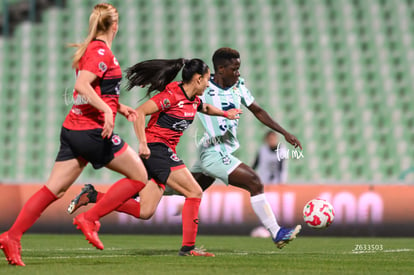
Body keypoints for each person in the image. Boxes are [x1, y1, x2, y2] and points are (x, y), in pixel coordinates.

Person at [0, 3, 149, 266]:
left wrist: (119, 107)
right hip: (90, 132)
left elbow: (96, 90)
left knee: (53, 190)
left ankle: (12, 236)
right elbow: (81, 86)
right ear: (115, 25)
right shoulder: (101, 52)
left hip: (73, 129)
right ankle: (89, 217)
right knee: (139, 177)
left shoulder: (92, 49)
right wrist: (106, 110)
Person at [68, 58, 242, 256]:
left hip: (161, 152)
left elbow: (205, 108)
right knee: (194, 192)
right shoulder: (172, 95)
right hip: (156, 149)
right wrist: (143, 143)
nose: (210, 83)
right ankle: (188, 248)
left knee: (145, 211)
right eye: (208, 78)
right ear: (198, 79)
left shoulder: (193, 99)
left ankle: (92, 195)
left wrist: (225, 114)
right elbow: (140, 113)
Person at [190, 47, 303, 249]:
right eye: (235, 69)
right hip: (213, 152)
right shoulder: (204, 87)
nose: (238, 73)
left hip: (218, 150)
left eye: (239, 68)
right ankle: (276, 232)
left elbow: (258, 111)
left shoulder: (238, 86)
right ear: (221, 69)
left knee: (185, 189)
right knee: (254, 181)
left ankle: (141, 189)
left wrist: (284, 132)